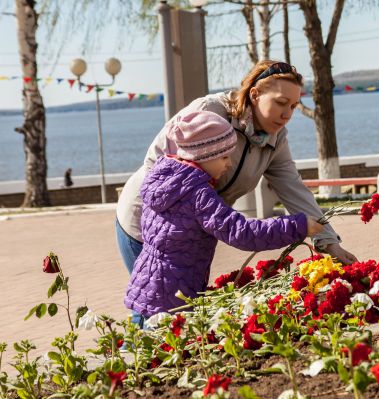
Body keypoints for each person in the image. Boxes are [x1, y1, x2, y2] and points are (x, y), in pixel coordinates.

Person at [116, 60, 357, 323]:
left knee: (171, 320)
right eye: (280, 102)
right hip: (146, 224)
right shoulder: (211, 113)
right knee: (155, 314)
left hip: (191, 235)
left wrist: (328, 240)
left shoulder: (276, 138)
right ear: (255, 94)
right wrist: (172, 220)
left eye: (293, 106)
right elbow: (156, 163)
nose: (287, 113)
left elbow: (293, 187)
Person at [124, 111, 323, 319]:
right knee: (165, 349)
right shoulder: (198, 194)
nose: (229, 164)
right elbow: (242, 233)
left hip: (147, 285)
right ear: (203, 155)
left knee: (140, 347)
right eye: (225, 156)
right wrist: (297, 226)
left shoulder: (163, 179)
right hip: (173, 298)